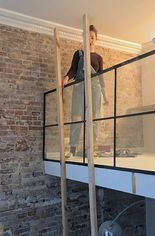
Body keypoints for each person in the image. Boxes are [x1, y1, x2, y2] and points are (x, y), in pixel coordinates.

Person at [63, 25, 108, 158]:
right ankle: (72, 149)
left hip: (95, 90)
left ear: (96, 39)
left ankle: (90, 149)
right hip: (79, 89)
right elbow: (72, 70)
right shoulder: (79, 54)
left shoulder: (98, 58)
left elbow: (101, 77)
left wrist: (105, 96)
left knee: (92, 119)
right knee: (76, 118)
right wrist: (66, 78)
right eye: (88, 37)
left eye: (93, 37)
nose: (90, 40)